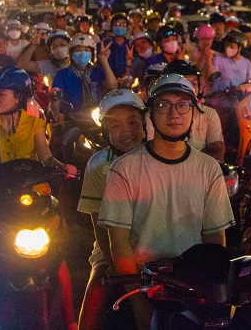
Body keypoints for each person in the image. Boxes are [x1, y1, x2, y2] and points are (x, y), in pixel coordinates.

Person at [99, 75, 234, 295]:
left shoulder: (209, 168)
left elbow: (214, 238)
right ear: (150, 113)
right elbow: (119, 241)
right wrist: (136, 299)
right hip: (146, 281)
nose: (174, 114)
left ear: (193, 112)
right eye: (164, 105)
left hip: (193, 279)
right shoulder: (123, 169)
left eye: (183, 105)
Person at [76, 89, 146, 330]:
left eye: (133, 122)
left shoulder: (159, 156)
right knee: (96, 294)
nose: (126, 131)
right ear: (106, 131)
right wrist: (113, 263)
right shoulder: (98, 165)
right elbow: (98, 222)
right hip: (111, 250)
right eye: (115, 126)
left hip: (156, 247)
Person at [0, 67, 77, 177]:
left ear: (18, 98)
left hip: (29, 186)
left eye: (1, 94)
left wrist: (63, 167)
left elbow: (46, 158)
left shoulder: (34, 124)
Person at [146, 59, 225, 161]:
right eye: (185, 82)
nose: (174, 114)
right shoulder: (152, 115)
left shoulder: (209, 113)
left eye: (194, 83)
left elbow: (217, 151)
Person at [208, 29, 251, 159]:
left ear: (240, 47)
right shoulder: (219, 59)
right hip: (221, 100)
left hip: (240, 102)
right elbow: (214, 75)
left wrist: (245, 87)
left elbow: (250, 81)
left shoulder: (246, 62)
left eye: (232, 46)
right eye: (227, 45)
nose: (229, 48)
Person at [52, 34, 119, 113]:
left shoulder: (97, 72)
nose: (82, 53)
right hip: (71, 119)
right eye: (78, 50)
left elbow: (113, 85)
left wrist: (104, 61)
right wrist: (56, 114)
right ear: (71, 54)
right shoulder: (63, 74)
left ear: (92, 54)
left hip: (95, 117)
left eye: (86, 50)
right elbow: (55, 97)